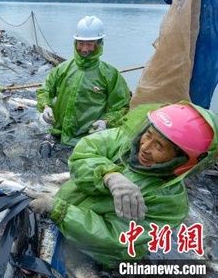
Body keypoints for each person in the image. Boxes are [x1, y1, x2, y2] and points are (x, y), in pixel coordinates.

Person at [27, 101, 217, 267]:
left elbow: (113, 235)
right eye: (148, 135)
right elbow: (84, 152)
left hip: (97, 253)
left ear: (183, 160)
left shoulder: (170, 203)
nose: (145, 147)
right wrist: (109, 175)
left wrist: (59, 210)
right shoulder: (124, 141)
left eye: (159, 146)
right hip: (64, 214)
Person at [36, 16, 130, 153]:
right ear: (75, 43)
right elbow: (45, 89)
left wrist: (106, 122)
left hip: (88, 140)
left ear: (99, 44)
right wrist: (45, 106)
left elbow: (121, 107)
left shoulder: (110, 74)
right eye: (80, 43)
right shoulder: (63, 68)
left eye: (90, 44)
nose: (84, 49)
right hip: (58, 135)